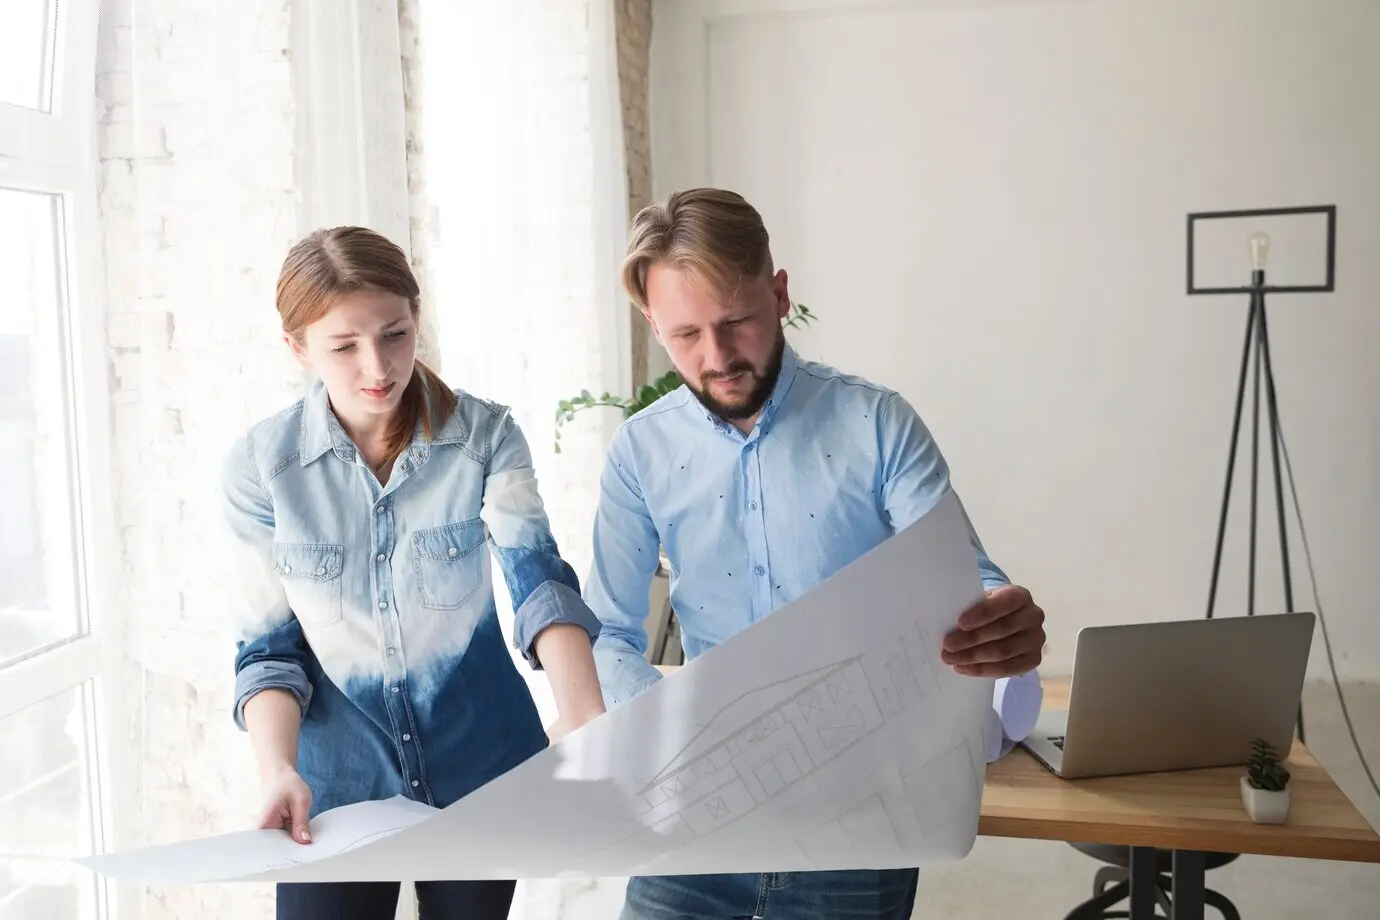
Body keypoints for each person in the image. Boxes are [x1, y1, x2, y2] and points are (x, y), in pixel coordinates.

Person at [583, 188, 1047, 919]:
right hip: (699, 820)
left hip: (859, 812)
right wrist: (669, 742)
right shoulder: (642, 451)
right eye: (685, 336)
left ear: (779, 294)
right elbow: (606, 629)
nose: (717, 358)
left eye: (737, 322)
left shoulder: (877, 425)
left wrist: (999, 622)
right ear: (652, 324)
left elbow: (970, 582)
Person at [220, 226, 607, 920]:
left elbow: (537, 577)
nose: (379, 365)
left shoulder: (485, 437)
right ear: (298, 349)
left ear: (416, 319)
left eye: (395, 333)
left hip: (483, 768)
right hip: (336, 788)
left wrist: (582, 712)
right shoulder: (260, 469)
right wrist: (277, 768)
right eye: (344, 346)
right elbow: (269, 651)